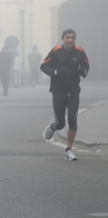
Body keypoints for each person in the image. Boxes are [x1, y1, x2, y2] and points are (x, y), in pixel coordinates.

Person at [41, 28, 89, 161]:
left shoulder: (79, 51)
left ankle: (69, 150)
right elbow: (44, 66)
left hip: (73, 90)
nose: (70, 40)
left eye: (72, 37)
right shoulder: (56, 51)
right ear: (63, 38)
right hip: (58, 90)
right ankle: (54, 125)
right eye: (67, 37)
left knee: (73, 119)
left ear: (75, 39)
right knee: (61, 124)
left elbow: (86, 66)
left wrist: (82, 71)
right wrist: (56, 72)